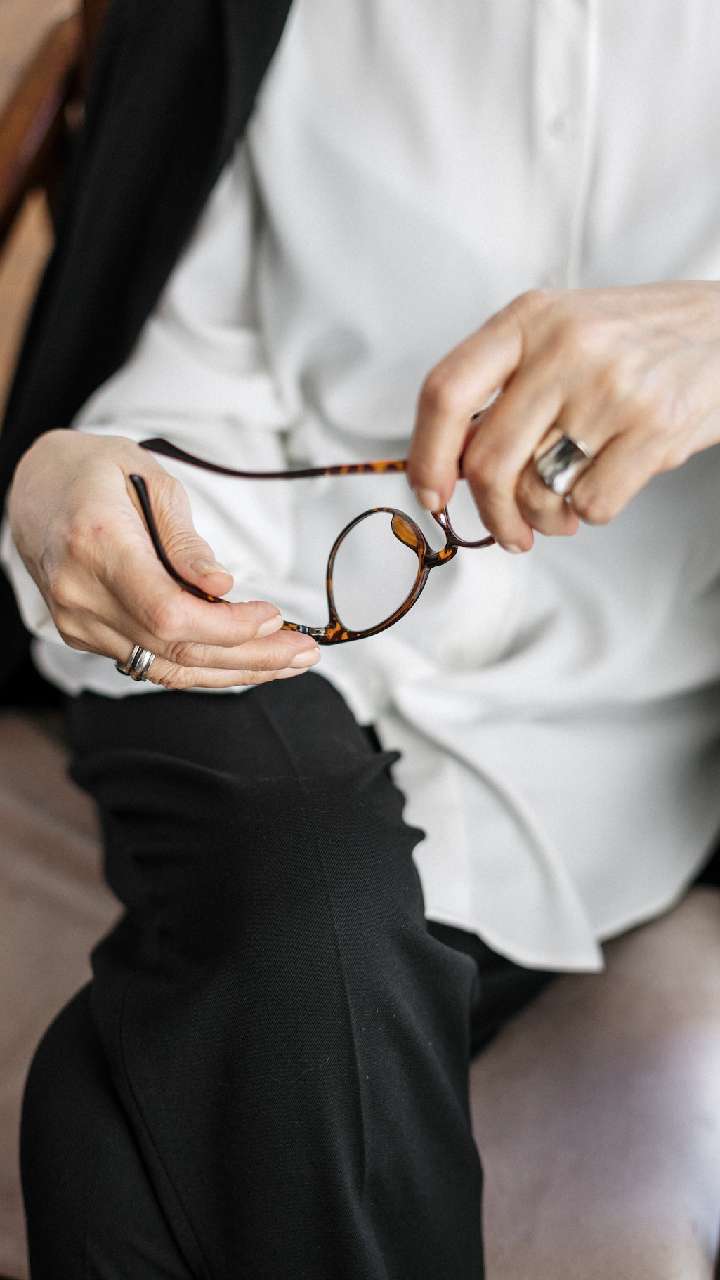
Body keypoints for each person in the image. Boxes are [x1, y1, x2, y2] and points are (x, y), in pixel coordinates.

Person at [3, 2, 720, 1276]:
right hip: (233, 635)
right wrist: (62, 474)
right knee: (308, 897)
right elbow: (184, 372)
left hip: (603, 744)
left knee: (107, 1128)